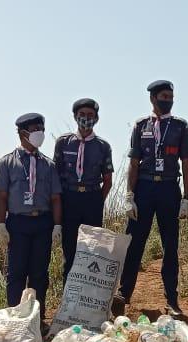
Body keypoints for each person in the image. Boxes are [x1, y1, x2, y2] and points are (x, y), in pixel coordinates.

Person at [114, 80, 188, 317]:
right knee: (135, 241)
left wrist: (187, 198)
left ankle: (172, 300)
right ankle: (123, 294)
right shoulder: (140, 125)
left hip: (169, 188)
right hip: (144, 189)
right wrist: (129, 195)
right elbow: (133, 162)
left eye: (170, 96)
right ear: (152, 98)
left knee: (170, 245)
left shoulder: (180, 126)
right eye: (163, 96)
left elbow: (187, 162)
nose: (167, 100)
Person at [0, 113, 62, 320]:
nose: (39, 134)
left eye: (41, 129)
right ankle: (15, 318)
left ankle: (36, 319)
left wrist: (57, 226)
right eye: (34, 130)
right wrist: (0, 225)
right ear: (22, 133)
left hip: (42, 222)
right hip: (18, 223)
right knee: (16, 273)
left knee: (39, 274)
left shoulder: (48, 165)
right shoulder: (6, 163)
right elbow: (2, 196)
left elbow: (56, 198)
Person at [53, 98, 113, 284]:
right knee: (69, 250)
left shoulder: (103, 146)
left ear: (96, 118)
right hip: (69, 200)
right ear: (75, 117)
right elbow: (55, 176)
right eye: (82, 115)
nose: (86, 119)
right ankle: (67, 296)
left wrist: (97, 202)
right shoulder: (64, 142)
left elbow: (108, 180)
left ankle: (87, 297)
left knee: (92, 250)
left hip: (92, 198)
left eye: (90, 115)